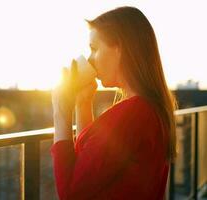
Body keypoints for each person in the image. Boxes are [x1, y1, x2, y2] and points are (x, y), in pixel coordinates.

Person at [51, 6, 177, 200]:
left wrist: (60, 110)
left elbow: (71, 193)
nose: (90, 60)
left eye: (94, 49)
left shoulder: (133, 113)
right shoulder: (149, 108)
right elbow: (90, 167)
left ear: (120, 49)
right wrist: (83, 103)